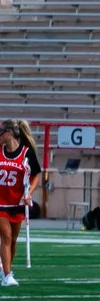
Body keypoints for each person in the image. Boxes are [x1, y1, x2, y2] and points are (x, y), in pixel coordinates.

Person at [0, 121, 34, 284]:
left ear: (10, 133)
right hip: (0, 203)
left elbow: (35, 176)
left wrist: (29, 193)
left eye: (1, 131)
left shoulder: (26, 153)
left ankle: (6, 270)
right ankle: (7, 275)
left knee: (12, 240)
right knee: (5, 236)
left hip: (17, 203)